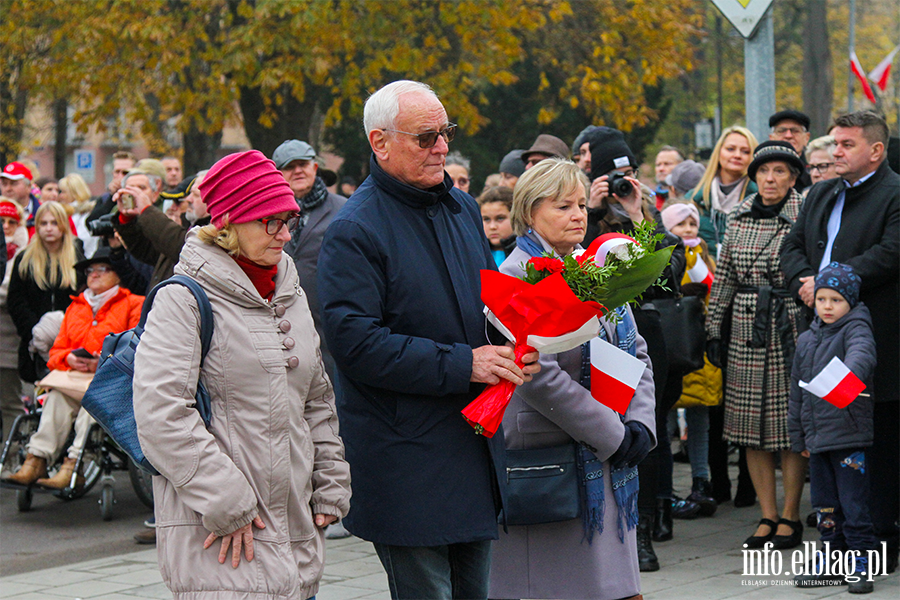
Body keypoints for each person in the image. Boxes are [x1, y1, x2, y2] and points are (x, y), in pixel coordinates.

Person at [317, 80, 539, 600]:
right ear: (380, 142)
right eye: (425, 137)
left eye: (445, 132)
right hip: (407, 455)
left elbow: (488, 304)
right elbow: (355, 345)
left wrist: (523, 340)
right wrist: (466, 363)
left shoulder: (461, 209)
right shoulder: (355, 228)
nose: (441, 146)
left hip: (473, 442)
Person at [133, 150, 351, 599]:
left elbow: (316, 397)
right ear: (228, 223)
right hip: (220, 535)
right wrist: (227, 502)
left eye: (288, 219)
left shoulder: (287, 291)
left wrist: (330, 478)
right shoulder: (184, 299)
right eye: (270, 221)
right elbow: (161, 413)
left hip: (295, 529)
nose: (285, 234)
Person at [488, 158, 656, 600]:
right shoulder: (516, 276)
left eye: (581, 204)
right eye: (563, 206)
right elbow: (535, 375)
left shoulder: (594, 270)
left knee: (610, 586)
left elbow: (634, 349)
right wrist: (612, 433)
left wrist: (640, 422)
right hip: (551, 455)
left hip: (608, 448)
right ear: (529, 212)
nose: (579, 215)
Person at [780, 110, 900, 573]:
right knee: (829, 439)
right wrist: (804, 283)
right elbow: (791, 247)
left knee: (872, 437)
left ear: (876, 150)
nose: (835, 153)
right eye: (834, 144)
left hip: (870, 337)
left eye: (847, 144)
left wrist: (833, 281)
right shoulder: (823, 193)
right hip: (818, 335)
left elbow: (891, 252)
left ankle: (878, 541)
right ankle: (837, 545)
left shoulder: (893, 193)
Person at [586, 125, 685, 569]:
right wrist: (589, 211)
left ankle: (643, 527)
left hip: (642, 333)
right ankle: (610, 519)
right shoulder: (579, 213)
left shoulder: (645, 215)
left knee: (648, 428)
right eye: (614, 178)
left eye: (628, 176)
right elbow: (573, 266)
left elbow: (668, 276)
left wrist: (640, 214)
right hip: (591, 337)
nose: (622, 186)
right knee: (603, 430)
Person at [706, 141, 807, 550]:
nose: (770, 179)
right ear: (754, 177)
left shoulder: (805, 216)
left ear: (794, 178)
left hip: (791, 327)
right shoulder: (738, 217)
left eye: (780, 171)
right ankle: (767, 514)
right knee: (749, 429)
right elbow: (726, 274)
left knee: (790, 428)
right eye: (764, 171)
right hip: (747, 329)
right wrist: (714, 329)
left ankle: (791, 514)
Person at [2, 247, 144, 488]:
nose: (94, 274)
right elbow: (55, 352)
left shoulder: (133, 304)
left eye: (103, 269)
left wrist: (101, 361)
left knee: (95, 401)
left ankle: (74, 464)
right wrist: (69, 358)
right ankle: (36, 460)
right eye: (90, 270)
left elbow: (135, 349)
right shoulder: (75, 307)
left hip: (108, 380)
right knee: (56, 397)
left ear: (117, 275)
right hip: (74, 378)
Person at [789, 263, 877, 593]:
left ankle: (862, 561)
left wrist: (848, 374)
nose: (827, 306)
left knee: (854, 504)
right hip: (818, 440)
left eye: (836, 300)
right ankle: (831, 556)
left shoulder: (856, 330)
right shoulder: (808, 338)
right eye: (822, 298)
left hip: (848, 436)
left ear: (850, 302)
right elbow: (796, 391)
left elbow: (863, 355)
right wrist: (799, 436)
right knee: (824, 504)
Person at [661, 202, 721, 520]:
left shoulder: (703, 257)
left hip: (697, 349)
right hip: (673, 346)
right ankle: (666, 488)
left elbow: (712, 291)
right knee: (666, 422)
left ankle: (701, 480)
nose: (687, 230)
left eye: (691, 224)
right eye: (680, 225)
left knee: (699, 422)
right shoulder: (665, 255)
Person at [7, 202, 83, 384]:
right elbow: (16, 300)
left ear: (63, 225)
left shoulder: (76, 255)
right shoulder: (25, 259)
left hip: (69, 342)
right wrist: (34, 330)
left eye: (55, 223)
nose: (49, 229)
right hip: (33, 341)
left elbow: (82, 298)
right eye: (44, 223)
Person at [111, 167, 187, 291]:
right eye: (129, 189)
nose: (135, 194)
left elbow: (178, 245)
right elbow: (145, 250)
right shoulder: (155, 220)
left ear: (155, 194)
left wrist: (146, 209)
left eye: (141, 189)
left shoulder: (161, 222)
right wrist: (125, 220)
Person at [687, 126, 758, 258]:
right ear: (719, 152)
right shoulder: (692, 200)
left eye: (745, 151)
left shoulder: (761, 201)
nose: (737, 155)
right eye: (730, 149)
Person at [0, 199, 27, 441]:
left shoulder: (23, 250)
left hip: (8, 338)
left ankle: (10, 457)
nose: (6, 226)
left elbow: (10, 290)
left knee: (10, 400)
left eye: (12, 221)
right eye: (2, 221)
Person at [85, 151, 137, 226]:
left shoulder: (139, 196)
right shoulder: (105, 198)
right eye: (117, 172)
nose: (120, 176)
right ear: (113, 173)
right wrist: (111, 198)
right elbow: (91, 223)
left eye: (125, 172)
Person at [769, 110, 812, 192]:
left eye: (795, 131)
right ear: (771, 138)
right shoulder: (760, 170)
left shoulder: (815, 171)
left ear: (807, 138)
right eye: (781, 131)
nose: (788, 136)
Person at [58, 173, 98, 259]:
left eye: (63, 192)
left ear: (74, 193)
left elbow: (83, 240)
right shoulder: (66, 211)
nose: (60, 196)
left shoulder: (85, 213)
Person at [477, 185, 515, 266]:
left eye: (500, 218)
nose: (492, 227)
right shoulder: (474, 252)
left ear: (515, 218)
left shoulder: (526, 252)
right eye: (486, 219)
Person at [1, 161, 41, 236]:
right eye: (4, 184)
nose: (8, 188)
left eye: (14, 183)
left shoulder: (43, 212)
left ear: (28, 187)